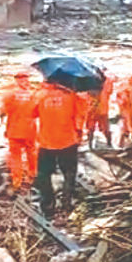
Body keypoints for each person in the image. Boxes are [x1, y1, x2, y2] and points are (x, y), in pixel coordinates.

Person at [32, 81, 89, 215]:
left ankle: (47, 205)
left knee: (44, 174)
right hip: (68, 141)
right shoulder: (72, 96)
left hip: (46, 142)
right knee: (69, 173)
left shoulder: (40, 95)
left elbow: (32, 113)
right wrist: (79, 133)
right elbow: (80, 116)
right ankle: (66, 203)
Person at [0, 72, 38, 191]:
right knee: (31, 152)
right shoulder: (34, 94)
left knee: (15, 156)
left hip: (14, 129)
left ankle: (17, 181)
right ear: (27, 80)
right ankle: (32, 175)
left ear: (16, 80)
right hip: (30, 129)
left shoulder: (9, 94)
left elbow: (3, 111)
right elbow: (37, 112)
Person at [87, 72, 115, 150]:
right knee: (95, 128)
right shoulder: (105, 87)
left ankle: (91, 145)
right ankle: (109, 144)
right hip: (98, 110)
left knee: (93, 128)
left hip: (95, 110)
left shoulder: (88, 87)